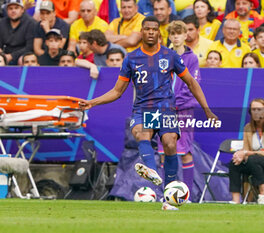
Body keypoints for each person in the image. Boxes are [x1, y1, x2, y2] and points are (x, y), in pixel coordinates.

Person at [79, 16, 218, 210]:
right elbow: (117, 91)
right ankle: (151, 170)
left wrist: (207, 110)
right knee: (141, 133)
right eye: (147, 29)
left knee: (170, 143)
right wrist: (92, 102)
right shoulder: (131, 58)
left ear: (158, 33)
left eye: (154, 29)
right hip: (144, 108)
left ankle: (168, 196)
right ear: (141, 32)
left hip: (166, 108)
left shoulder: (170, 55)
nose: (151, 32)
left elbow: (191, 82)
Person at [157, 20, 201, 199]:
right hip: (165, 111)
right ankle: (166, 193)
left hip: (184, 110)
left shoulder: (192, 59)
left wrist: (176, 103)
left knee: (185, 152)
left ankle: (186, 196)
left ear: (185, 35)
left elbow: (192, 85)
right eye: (172, 33)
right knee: (163, 153)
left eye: (179, 33)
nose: (175, 36)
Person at [229, 98, 264, 204]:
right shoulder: (248, 127)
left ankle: (263, 194)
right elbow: (246, 149)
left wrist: (246, 153)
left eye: (259, 109)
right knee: (234, 163)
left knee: (253, 159)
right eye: (253, 110)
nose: (256, 112)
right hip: (252, 161)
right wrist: (240, 155)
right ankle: (236, 200)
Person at [0, 0, 36, 65]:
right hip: (5, 55)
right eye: (10, 8)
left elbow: (29, 47)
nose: (13, 11)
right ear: (7, 11)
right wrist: (2, 55)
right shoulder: (2, 23)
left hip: (23, 55)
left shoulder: (31, 23)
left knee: (23, 60)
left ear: (22, 10)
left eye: (16, 8)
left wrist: (11, 56)